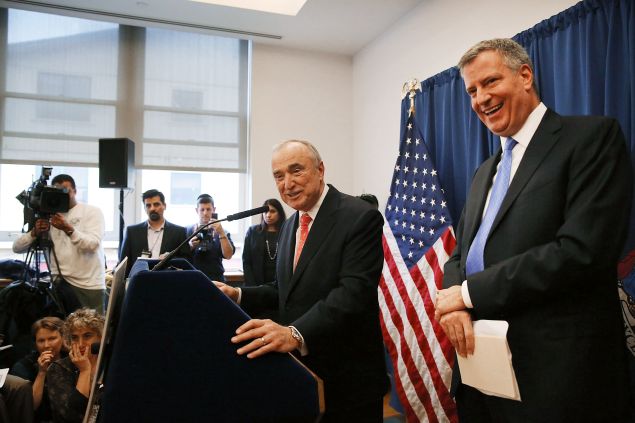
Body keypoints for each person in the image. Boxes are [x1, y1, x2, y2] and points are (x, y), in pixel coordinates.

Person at [434, 38, 632, 422]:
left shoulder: (591, 138)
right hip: (480, 372)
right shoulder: (483, 173)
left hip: (558, 377)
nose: (481, 99)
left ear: (525, 75)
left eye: (490, 82)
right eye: (472, 91)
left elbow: (581, 251)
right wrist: (456, 307)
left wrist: (468, 294)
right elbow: (462, 252)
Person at [215, 140, 389, 421]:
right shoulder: (290, 224)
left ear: (321, 170)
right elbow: (283, 289)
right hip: (302, 374)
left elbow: (353, 293)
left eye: (296, 171)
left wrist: (294, 333)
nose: (287, 183)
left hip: (349, 379)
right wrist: (237, 294)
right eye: (278, 176)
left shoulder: (360, 216)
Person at [12, 174, 106, 314]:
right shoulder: (48, 215)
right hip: (59, 283)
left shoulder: (92, 212)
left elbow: (92, 245)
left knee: (92, 330)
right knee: (61, 331)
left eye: (65, 191)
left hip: (88, 283)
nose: (62, 195)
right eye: (56, 191)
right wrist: (34, 232)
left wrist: (68, 228)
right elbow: (17, 248)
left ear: (75, 191)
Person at [47, 308, 104, 423]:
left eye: (87, 336)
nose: (81, 344)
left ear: (100, 337)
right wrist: (84, 371)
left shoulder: (109, 363)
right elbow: (72, 416)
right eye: (74, 337)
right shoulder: (58, 368)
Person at [119, 189, 190, 277]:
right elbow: (124, 263)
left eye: (156, 204)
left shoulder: (179, 232)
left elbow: (186, 261)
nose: (152, 208)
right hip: (139, 282)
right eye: (148, 205)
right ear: (144, 208)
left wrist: (170, 258)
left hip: (168, 281)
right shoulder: (132, 232)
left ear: (164, 206)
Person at [10, 316, 68, 422]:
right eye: (41, 340)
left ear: (63, 338)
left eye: (52, 339)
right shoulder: (23, 367)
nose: (46, 345)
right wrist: (41, 372)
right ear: (35, 344)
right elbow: (30, 407)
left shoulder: (72, 359)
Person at [186, 194, 235, 281]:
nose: (205, 213)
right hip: (192, 278)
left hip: (216, 279)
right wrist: (190, 246)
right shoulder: (187, 231)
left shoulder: (222, 231)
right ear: (197, 210)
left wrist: (221, 233)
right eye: (202, 210)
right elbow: (180, 257)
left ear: (214, 210)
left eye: (208, 209)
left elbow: (228, 255)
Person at [242, 198, 286, 287]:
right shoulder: (253, 231)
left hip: (280, 285)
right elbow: (246, 261)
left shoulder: (287, 231)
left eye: (272, 211)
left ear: (280, 213)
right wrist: (252, 286)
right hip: (256, 284)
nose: (268, 215)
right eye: (265, 212)